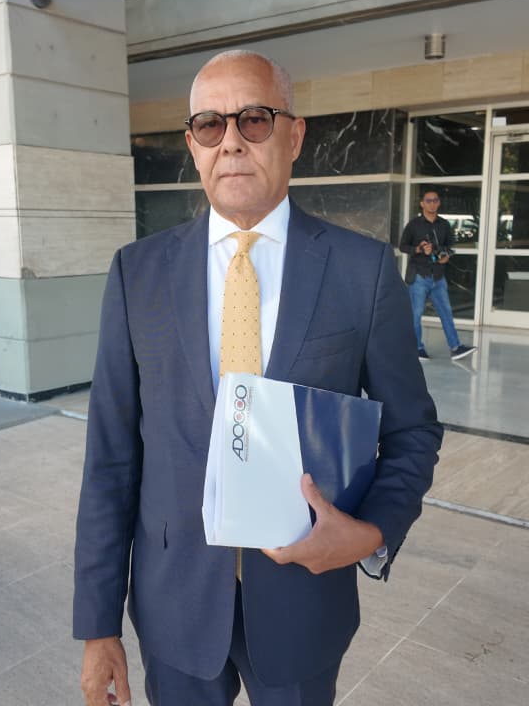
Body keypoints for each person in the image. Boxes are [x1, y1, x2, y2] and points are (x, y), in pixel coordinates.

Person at [73, 50, 441, 706]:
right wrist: (98, 624)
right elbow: (110, 459)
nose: (232, 142)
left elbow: (413, 431)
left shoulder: (362, 271)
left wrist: (371, 532)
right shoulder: (138, 273)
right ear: (193, 146)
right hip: (174, 604)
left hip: (304, 606)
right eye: (210, 125)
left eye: (254, 119)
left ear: (293, 136)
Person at [399, 190, 475, 361]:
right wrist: (419, 249)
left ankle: (456, 348)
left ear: (439, 203)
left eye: (435, 200)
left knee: (446, 313)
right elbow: (403, 246)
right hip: (419, 276)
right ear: (422, 203)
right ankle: (417, 348)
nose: (432, 203)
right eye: (428, 200)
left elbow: (450, 246)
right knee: (415, 315)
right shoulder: (414, 225)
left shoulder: (444, 224)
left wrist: (446, 256)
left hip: (438, 277)